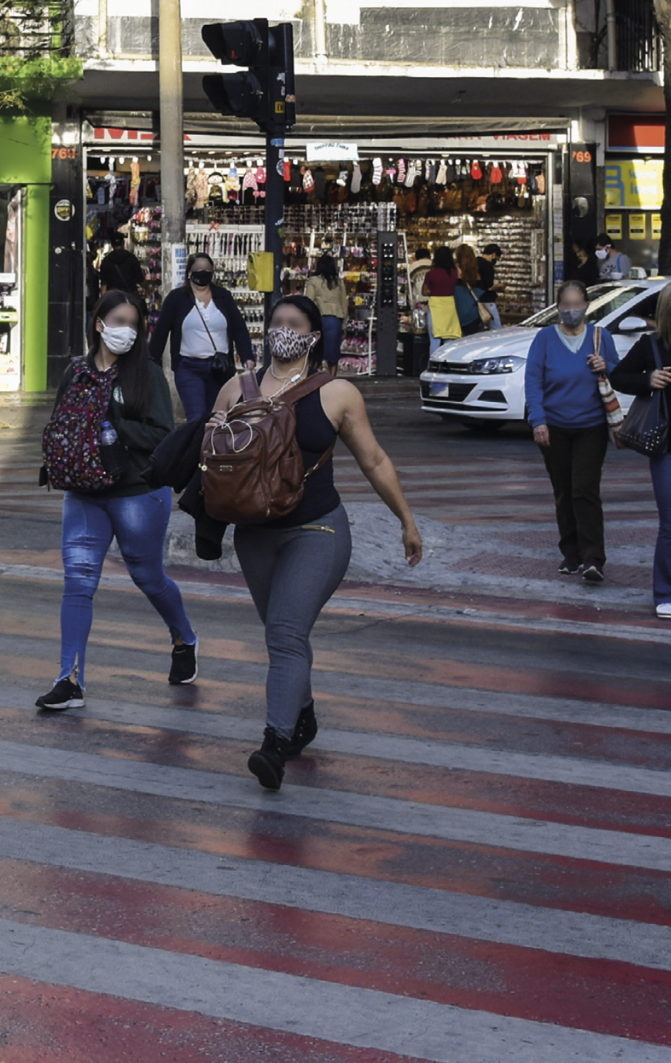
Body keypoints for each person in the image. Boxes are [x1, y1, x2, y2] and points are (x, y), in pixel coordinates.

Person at [211, 294, 422, 791]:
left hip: (317, 530)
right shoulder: (234, 390)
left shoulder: (337, 393)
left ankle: (275, 744)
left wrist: (406, 521)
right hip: (255, 536)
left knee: (284, 634)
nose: (283, 329)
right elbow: (214, 462)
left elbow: (374, 461)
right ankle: (302, 716)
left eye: (294, 323)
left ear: (311, 335)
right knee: (286, 637)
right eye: (276, 321)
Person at [37, 290, 199, 713]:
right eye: (119, 321)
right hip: (84, 493)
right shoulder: (75, 371)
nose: (126, 330)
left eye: (133, 323)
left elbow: (164, 436)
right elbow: (61, 425)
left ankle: (184, 638)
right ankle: (68, 680)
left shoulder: (145, 373)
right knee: (78, 582)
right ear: (99, 324)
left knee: (148, 577)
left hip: (136, 493)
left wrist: (116, 424)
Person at [527, 279, 618, 586]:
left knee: (585, 488)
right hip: (554, 425)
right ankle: (571, 552)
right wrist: (538, 420)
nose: (571, 312)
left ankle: (593, 557)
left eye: (576, 306)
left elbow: (618, 369)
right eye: (565, 306)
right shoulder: (544, 339)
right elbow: (533, 380)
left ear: (586, 306)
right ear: (557, 307)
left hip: (591, 424)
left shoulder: (599, 336)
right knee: (563, 490)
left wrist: (605, 365)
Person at [611, 282, 671, 620]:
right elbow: (619, 377)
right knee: (670, 522)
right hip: (666, 445)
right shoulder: (652, 346)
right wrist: (649, 379)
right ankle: (665, 592)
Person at [151, 252, 256, 420]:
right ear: (189, 273)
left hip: (220, 368)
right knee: (197, 418)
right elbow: (161, 331)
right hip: (188, 368)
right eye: (199, 269)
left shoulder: (223, 296)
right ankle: (197, 446)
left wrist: (247, 356)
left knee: (218, 416)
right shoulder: (177, 298)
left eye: (207, 269)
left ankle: (213, 446)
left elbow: (239, 328)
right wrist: (152, 361)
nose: (203, 272)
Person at [304, 252, 349, 376]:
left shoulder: (313, 281)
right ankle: (332, 379)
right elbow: (344, 304)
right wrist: (344, 325)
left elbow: (308, 301)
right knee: (333, 354)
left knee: (316, 352)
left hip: (319, 319)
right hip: (335, 321)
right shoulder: (339, 283)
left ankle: (314, 379)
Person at [422, 246, 460, 355]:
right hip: (450, 307)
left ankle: (434, 365)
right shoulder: (454, 273)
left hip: (435, 307)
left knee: (435, 339)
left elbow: (424, 292)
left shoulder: (431, 274)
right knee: (449, 338)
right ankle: (448, 364)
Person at [453, 243, 489, 337]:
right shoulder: (476, 271)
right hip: (474, 315)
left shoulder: (454, 271)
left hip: (458, 313)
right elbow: (483, 289)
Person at [97, 231, 145, 297]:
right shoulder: (131, 258)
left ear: (112, 244)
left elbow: (103, 287)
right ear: (123, 243)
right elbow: (141, 280)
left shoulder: (106, 261)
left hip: (113, 299)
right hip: (129, 298)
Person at [477, 242, 504, 329]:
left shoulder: (475, 262)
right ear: (493, 255)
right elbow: (490, 286)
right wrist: (500, 287)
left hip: (476, 299)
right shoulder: (488, 266)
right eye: (497, 258)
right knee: (496, 326)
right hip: (487, 300)